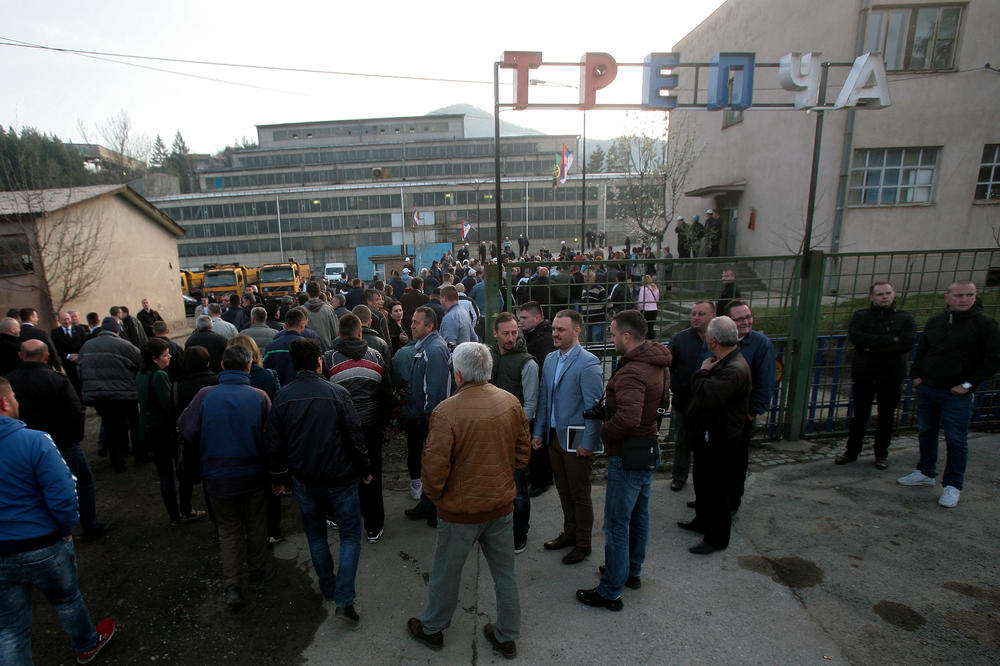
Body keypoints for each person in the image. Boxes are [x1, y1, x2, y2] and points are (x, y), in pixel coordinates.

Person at [407, 343, 530, 658]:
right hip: (500, 506)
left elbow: (434, 469)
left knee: (446, 573)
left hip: (459, 512)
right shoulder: (510, 402)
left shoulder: (446, 411)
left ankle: (433, 629)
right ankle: (507, 635)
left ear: (458, 374)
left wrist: (438, 498)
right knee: (505, 574)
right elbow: (522, 455)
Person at [0, 377, 116, 665]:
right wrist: (66, 528)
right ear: (4, 403)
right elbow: (63, 494)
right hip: (43, 542)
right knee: (66, 599)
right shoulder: (34, 441)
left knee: (10, 626)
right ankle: (87, 643)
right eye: (13, 396)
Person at [266, 338, 370, 622]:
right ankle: (344, 599)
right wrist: (364, 469)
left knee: (315, 534)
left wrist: (279, 477)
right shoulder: (337, 393)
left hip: (305, 478)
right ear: (319, 362)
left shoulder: (283, 397)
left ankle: (328, 587)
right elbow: (354, 436)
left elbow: (274, 441)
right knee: (350, 536)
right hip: (340, 477)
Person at [577, 310, 671, 611]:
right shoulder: (658, 363)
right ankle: (630, 571)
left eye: (613, 333)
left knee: (617, 522)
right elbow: (662, 402)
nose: (611, 337)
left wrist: (605, 430)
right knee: (639, 515)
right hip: (647, 447)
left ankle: (610, 591)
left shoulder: (632, 372)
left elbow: (629, 417)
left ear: (627, 336)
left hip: (628, 453)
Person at [177, 345, 274, 608]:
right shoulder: (259, 397)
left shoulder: (205, 395)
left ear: (222, 366)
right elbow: (271, 438)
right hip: (253, 474)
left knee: (228, 528)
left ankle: (233, 585)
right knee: (256, 523)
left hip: (217, 475)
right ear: (249, 366)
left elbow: (186, 429)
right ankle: (257, 572)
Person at [897, 280, 1000, 507]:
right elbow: (923, 349)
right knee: (926, 431)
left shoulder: (986, 324)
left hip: (957, 393)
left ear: (975, 296)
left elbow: (993, 359)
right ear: (947, 297)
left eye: (969, 295)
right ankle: (925, 472)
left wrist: (968, 384)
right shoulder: (936, 321)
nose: (964, 299)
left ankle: (953, 485)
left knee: (956, 440)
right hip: (928, 387)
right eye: (959, 295)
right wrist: (916, 375)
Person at [6, 340, 110, 542]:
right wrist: (74, 438)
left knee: (34, 487)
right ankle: (89, 524)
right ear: (46, 357)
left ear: (21, 356)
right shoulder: (55, 379)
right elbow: (75, 410)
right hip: (61, 442)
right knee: (81, 483)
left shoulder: (9, 381)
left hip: (23, 444)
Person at [533, 309, 603, 565]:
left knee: (579, 493)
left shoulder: (588, 363)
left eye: (561, 329)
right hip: (554, 437)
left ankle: (583, 543)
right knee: (563, 489)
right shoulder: (551, 359)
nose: (555, 333)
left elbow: (594, 409)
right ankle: (570, 532)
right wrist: (539, 432)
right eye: (554, 329)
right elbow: (545, 399)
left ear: (577, 331)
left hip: (577, 440)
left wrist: (589, 443)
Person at [677, 316, 751, 554]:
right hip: (709, 437)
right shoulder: (726, 362)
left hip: (721, 439)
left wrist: (701, 373)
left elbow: (707, 396)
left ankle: (717, 538)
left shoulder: (733, 369)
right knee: (704, 483)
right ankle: (702, 521)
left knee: (718, 489)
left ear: (713, 341)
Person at [323, 314, 392, 543]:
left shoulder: (329, 360)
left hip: (341, 430)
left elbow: (326, 397)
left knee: (342, 476)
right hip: (371, 428)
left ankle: (340, 519)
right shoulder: (376, 356)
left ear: (339, 334)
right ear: (360, 332)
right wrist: (382, 423)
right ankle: (374, 526)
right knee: (372, 476)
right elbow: (386, 393)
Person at [837, 283, 916, 469]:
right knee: (859, 415)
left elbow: (905, 344)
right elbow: (857, 338)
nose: (885, 297)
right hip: (865, 373)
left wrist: (871, 346)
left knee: (886, 416)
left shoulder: (904, 318)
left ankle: (881, 454)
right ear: (872, 297)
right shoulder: (861, 316)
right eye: (880, 294)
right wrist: (890, 340)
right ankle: (851, 451)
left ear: (894, 294)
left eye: (888, 293)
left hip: (891, 374)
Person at [137, 338, 206, 526]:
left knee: (164, 475)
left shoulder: (141, 374)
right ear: (154, 358)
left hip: (150, 429)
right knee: (182, 470)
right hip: (166, 430)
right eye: (165, 355)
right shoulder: (160, 376)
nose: (169, 358)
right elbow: (169, 403)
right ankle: (186, 509)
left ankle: (174, 515)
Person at [488, 313, 538, 554]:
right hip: (489, 434)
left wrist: (511, 429)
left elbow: (530, 405)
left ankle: (519, 534)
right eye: (505, 333)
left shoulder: (527, 363)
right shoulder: (489, 356)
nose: (511, 338)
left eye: (514, 332)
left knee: (518, 489)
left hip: (513, 436)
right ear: (495, 333)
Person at [403, 307, 452, 526]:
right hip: (424, 417)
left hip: (431, 419)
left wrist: (429, 418)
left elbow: (435, 390)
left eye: (416, 322)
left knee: (435, 465)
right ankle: (427, 503)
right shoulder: (426, 346)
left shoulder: (434, 350)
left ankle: (435, 510)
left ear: (430, 326)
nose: (411, 325)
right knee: (429, 464)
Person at [727, 301, 777, 514]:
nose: (745, 322)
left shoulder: (761, 344)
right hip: (720, 414)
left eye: (748, 317)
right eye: (739, 319)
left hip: (742, 416)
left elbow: (766, 382)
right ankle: (711, 500)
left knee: (737, 462)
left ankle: (732, 502)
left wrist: (751, 412)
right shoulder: (721, 339)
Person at [79, 317, 142, 471]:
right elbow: (141, 362)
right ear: (117, 330)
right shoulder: (124, 345)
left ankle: (117, 462)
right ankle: (140, 455)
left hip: (99, 396)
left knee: (111, 427)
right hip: (124, 394)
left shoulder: (87, 346)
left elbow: (80, 369)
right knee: (134, 423)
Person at [667, 300, 715, 492]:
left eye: (701, 314)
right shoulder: (679, 340)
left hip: (711, 401)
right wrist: (678, 388)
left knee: (709, 443)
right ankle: (679, 475)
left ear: (713, 316)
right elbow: (668, 368)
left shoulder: (718, 339)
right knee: (682, 440)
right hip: (684, 400)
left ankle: (706, 479)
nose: (695, 317)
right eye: (694, 313)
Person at [518, 302, 555, 496]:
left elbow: (542, 370)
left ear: (537, 318)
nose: (521, 321)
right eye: (520, 318)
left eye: (525, 318)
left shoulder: (543, 340)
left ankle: (542, 479)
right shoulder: (535, 336)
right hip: (534, 395)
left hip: (539, 396)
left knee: (538, 439)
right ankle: (538, 476)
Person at [263, 307, 310, 386]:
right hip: (302, 388)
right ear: (302, 325)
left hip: (278, 389)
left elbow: (266, 370)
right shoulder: (308, 346)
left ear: (285, 325)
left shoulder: (271, 347)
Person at [51, 311, 86, 397]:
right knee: (74, 383)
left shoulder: (80, 329)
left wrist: (79, 355)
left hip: (81, 361)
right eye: (64, 320)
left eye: (68, 319)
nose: (66, 321)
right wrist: (68, 356)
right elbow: (55, 348)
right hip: (68, 363)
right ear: (59, 321)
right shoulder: (55, 333)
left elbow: (85, 344)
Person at [303, 281, 339, 348]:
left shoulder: (301, 311)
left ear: (306, 293)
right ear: (320, 293)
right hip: (326, 348)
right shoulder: (329, 309)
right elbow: (335, 332)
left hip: (307, 349)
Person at [579, 268, 607, 343]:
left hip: (598, 322)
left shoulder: (600, 289)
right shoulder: (584, 290)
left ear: (594, 277)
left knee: (597, 344)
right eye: (585, 276)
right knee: (589, 344)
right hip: (587, 322)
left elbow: (608, 304)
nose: (587, 279)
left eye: (589, 276)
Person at [637, 274, 660, 339]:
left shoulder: (643, 289)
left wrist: (639, 310)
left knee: (644, 327)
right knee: (651, 327)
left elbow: (640, 301)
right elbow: (657, 299)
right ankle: (652, 339)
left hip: (646, 310)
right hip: (654, 309)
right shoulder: (655, 288)